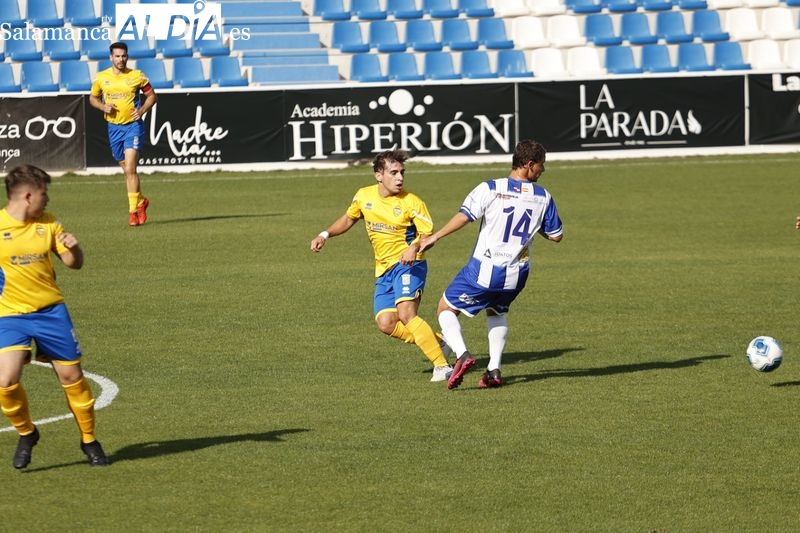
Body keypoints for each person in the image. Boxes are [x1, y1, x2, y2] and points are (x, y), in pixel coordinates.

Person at [420, 140, 563, 390]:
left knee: (445, 308)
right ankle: (494, 371)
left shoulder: (490, 188)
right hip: (517, 275)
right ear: (529, 165)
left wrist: (435, 237)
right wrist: (533, 225)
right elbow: (556, 235)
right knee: (497, 311)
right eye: (541, 166)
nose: (542, 171)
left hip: (485, 270)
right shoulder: (543, 197)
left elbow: (465, 216)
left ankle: (462, 355)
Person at [310, 150, 453, 382]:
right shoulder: (364, 196)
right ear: (379, 175)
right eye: (393, 172)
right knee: (386, 323)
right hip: (384, 269)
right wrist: (324, 234)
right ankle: (439, 343)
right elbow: (349, 219)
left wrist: (414, 247)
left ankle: (442, 366)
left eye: (402, 173)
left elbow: (428, 236)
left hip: (409, 265)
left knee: (407, 315)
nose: (400, 178)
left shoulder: (412, 202)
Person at [0, 165, 109, 468]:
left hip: (51, 313)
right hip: (10, 315)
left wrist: (75, 249)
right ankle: (27, 432)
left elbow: (74, 264)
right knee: (5, 380)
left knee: (72, 377)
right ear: (28, 195)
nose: (47, 200)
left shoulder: (49, 224)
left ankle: (89, 440)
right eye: (44, 194)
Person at [89, 41, 156, 227]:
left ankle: (133, 212)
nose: (121, 59)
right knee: (126, 170)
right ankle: (141, 201)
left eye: (124, 56)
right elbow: (92, 98)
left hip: (133, 126)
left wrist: (142, 110)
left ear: (127, 56)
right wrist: (103, 106)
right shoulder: (102, 78)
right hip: (113, 128)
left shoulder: (136, 76)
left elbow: (152, 96)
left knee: (130, 169)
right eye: (117, 56)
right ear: (111, 57)